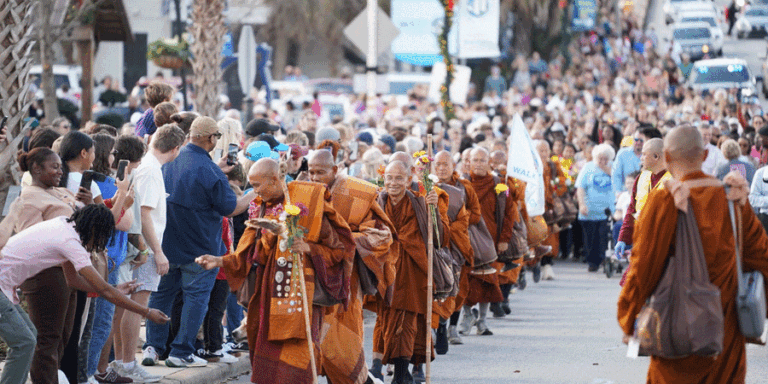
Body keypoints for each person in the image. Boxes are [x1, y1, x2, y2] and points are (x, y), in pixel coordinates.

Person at [617, 125, 768, 383]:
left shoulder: (663, 201)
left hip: (676, 327)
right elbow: (762, 259)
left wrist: (629, 315)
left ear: (666, 155)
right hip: (723, 331)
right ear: (706, 156)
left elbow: (643, 267)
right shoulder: (732, 200)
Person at [196, 158, 355, 384]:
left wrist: (309, 247)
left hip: (303, 296)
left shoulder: (310, 199)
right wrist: (219, 261)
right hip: (269, 294)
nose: (255, 191)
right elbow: (246, 253)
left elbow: (342, 248)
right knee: (269, 359)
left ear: (274, 180)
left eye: (258, 185)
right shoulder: (262, 205)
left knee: (300, 359)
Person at [0, 205, 170, 384]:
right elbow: (104, 290)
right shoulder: (70, 243)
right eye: (102, 236)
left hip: (5, 288)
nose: (99, 244)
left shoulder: (63, 227)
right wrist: (147, 312)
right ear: (95, 229)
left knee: (30, 338)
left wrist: (113, 288)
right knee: (24, 343)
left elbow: (72, 281)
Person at [142, 117, 256, 368]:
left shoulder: (171, 159)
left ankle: (153, 347)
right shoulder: (209, 170)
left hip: (167, 245)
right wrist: (254, 192)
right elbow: (231, 208)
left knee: (161, 296)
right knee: (196, 300)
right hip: (200, 249)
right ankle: (181, 352)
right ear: (211, 139)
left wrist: (216, 167)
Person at [307, 150, 395, 384]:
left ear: (335, 170)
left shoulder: (360, 192)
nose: (315, 177)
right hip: (315, 275)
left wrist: (344, 241)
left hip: (347, 278)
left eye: (320, 172)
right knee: (320, 339)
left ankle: (360, 380)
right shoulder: (304, 193)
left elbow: (382, 236)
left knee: (344, 341)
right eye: (311, 172)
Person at [0, 148, 80, 384]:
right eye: (54, 166)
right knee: (35, 341)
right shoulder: (27, 197)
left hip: (67, 272)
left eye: (60, 166)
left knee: (49, 338)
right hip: (44, 276)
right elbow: (25, 242)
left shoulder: (60, 191)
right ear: (36, 168)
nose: (60, 171)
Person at [112, 124, 185, 382]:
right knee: (135, 306)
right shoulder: (152, 170)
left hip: (139, 245)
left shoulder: (148, 167)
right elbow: (144, 213)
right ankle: (128, 363)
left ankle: (122, 362)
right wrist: (156, 251)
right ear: (176, 149)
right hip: (144, 247)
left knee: (126, 306)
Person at [376, 160, 448, 384]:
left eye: (399, 178)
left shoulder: (420, 202)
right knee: (388, 322)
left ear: (409, 180)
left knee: (406, 322)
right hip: (386, 272)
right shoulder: (376, 203)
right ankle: (398, 371)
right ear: (383, 179)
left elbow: (440, 239)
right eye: (389, 178)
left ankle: (401, 372)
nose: (393, 183)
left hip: (413, 271)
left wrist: (434, 208)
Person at [433, 151, 478, 346]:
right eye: (438, 165)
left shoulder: (463, 188)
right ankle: (438, 327)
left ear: (454, 166)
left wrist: (446, 228)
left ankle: (451, 326)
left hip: (456, 245)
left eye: (446, 164)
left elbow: (471, 216)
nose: (442, 168)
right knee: (436, 286)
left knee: (456, 289)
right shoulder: (427, 186)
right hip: (434, 246)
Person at [464, 147, 511, 335]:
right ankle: (467, 316)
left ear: (489, 163)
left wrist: (504, 238)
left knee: (487, 280)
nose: (478, 164)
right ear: (469, 162)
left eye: (482, 160)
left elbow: (509, 213)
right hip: (466, 240)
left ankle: (482, 321)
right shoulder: (462, 183)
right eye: (475, 160)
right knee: (465, 281)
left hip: (489, 241)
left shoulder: (499, 184)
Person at [615, 138, 671, 261]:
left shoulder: (674, 180)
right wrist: (623, 239)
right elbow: (631, 211)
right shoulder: (640, 178)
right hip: (641, 241)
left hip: (664, 244)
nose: (641, 158)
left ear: (656, 157)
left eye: (644, 154)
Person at [575, 143, 615, 272]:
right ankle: (593, 262)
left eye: (605, 159)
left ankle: (604, 259)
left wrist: (608, 170)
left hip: (607, 211)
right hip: (589, 210)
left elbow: (620, 183)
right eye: (600, 158)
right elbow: (580, 188)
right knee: (590, 238)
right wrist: (582, 204)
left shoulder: (613, 167)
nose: (603, 161)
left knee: (604, 236)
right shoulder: (588, 167)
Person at [536, 140, 568, 280]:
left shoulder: (553, 165)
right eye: (540, 151)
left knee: (550, 237)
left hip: (549, 208)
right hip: (533, 207)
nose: (543, 154)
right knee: (534, 236)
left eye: (545, 150)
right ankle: (533, 265)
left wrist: (555, 189)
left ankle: (547, 265)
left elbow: (563, 182)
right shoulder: (530, 165)